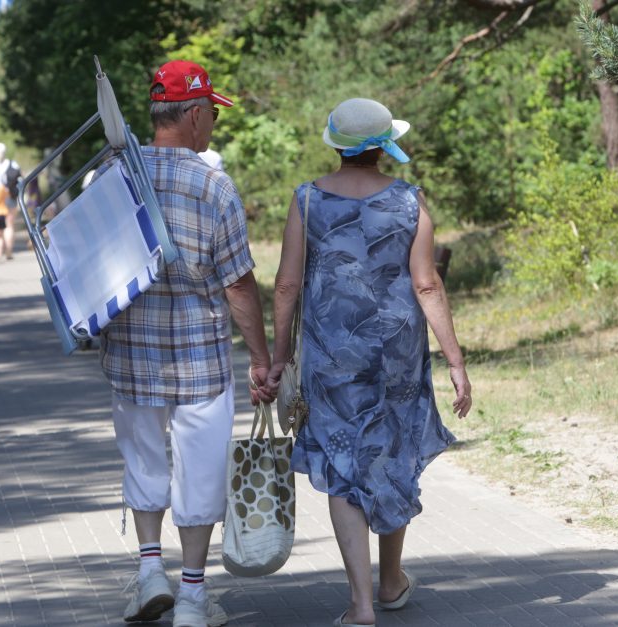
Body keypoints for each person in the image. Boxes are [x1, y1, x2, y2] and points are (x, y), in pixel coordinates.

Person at [265, 98, 473, 627]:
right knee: (392, 449)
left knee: (341, 462)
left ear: (336, 144)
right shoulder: (409, 200)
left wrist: (278, 356)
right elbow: (427, 283)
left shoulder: (307, 201)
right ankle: (391, 580)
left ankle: (360, 604)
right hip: (397, 352)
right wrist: (455, 360)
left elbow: (287, 282)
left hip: (332, 354)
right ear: (383, 146)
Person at [97, 59, 270, 627]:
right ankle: (192, 596)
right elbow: (239, 286)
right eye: (211, 114)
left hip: (130, 355)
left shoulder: (112, 175)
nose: (213, 125)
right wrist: (262, 358)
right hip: (199, 358)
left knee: (144, 461)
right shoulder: (213, 185)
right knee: (198, 470)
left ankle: (151, 572)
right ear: (193, 115)